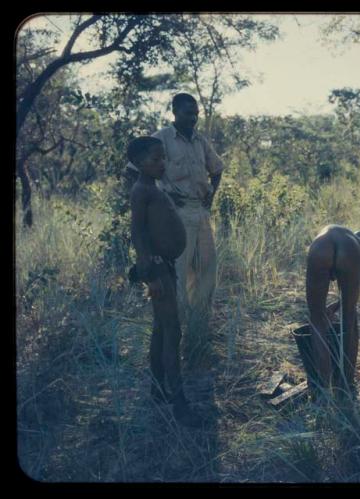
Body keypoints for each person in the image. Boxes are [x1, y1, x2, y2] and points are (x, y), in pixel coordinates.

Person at [126, 93, 224, 349]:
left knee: (207, 272)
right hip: (175, 214)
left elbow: (217, 168)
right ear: (174, 112)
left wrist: (210, 197)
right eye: (187, 113)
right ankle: (174, 335)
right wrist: (159, 200)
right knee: (178, 275)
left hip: (200, 212)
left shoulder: (200, 141)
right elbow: (134, 171)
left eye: (195, 114)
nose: (192, 118)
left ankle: (198, 332)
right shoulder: (161, 139)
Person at [128, 135, 202, 427]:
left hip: (164, 265)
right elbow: (138, 233)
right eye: (155, 159)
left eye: (163, 158)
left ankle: (157, 391)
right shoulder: (141, 190)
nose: (162, 164)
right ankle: (179, 403)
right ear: (138, 162)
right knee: (173, 332)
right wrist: (150, 273)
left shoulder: (152, 187)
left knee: (161, 330)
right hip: (157, 269)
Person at [305, 225, 360, 398]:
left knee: (316, 319)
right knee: (349, 319)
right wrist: (342, 306)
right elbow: (359, 284)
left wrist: (332, 307)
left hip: (318, 247)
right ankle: (346, 385)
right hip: (348, 250)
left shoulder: (342, 235)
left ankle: (323, 387)